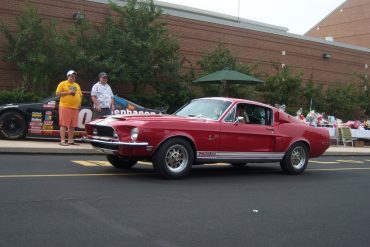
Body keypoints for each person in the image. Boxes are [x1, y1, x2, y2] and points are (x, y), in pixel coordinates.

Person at [56, 70, 82, 146]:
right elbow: (57, 93)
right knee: (63, 124)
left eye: (74, 76)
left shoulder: (77, 85)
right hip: (65, 106)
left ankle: (70, 140)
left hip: (75, 107)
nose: (73, 77)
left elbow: (80, 94)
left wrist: (79, 102)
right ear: (68, 76)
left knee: (72, 125)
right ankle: (62, 141)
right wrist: (68, 92)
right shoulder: (63, 83)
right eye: (71, 76)